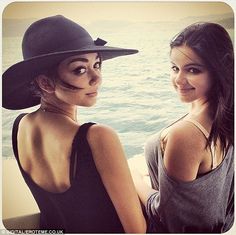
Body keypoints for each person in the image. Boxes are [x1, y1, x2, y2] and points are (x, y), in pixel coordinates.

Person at [2, 15, 146, 233]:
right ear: (45, 82)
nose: (96, 77)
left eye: (97, 65)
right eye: (80, 69)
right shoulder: (97, 136)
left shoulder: (20, 126)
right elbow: (137, 230)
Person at [129, 22, 234, 233]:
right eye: (175, 68)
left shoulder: (186, 134)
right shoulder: (224, 117)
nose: (178, 79)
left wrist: (132, 175)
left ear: (217, 71)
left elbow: (168, 218)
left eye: (193, 70)